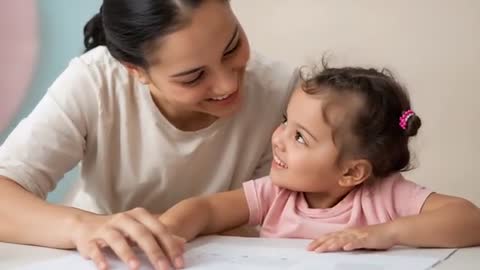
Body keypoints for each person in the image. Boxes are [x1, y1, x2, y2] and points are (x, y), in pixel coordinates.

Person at [0, 1, 295, 269]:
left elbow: (296, 209)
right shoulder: (96, 81)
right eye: (193, 76)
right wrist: (83, 226)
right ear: (135, 71)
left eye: (232, 47)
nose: (227, 85)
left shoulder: (283, 94)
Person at [157, 64, 480, 266]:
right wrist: (167, 232)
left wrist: (386, 233)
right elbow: (207, 210)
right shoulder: (276, 193)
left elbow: (469, 220)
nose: (278, 138)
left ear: (352, 172)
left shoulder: (383, 195)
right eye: (285, 121)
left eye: (300, 137)